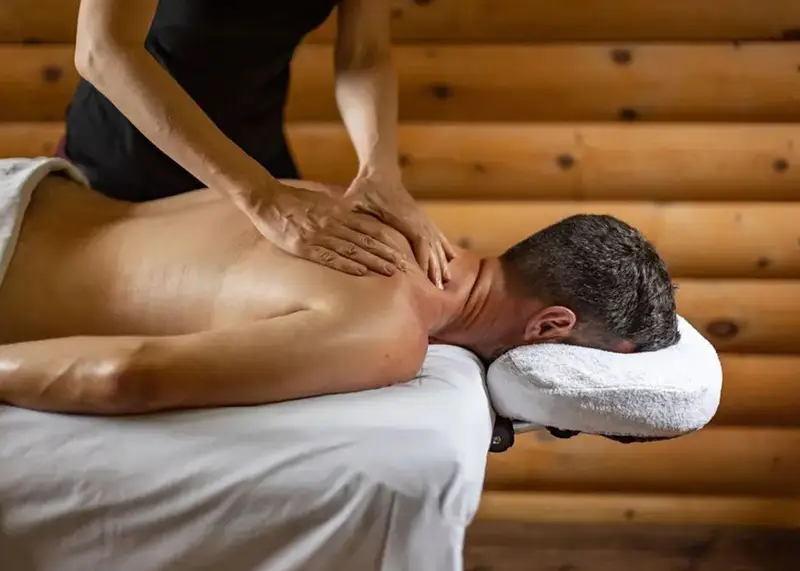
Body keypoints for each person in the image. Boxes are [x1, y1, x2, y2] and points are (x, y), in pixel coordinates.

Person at [0, 161, 679, 416]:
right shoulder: (390, 333)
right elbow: (123, 377)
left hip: (29, 187)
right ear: (551, 325)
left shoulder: (365, 207)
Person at [57, 0, 454, 287]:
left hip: (257, 149)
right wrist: (260, 197)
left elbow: (363, 55)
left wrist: (380, 170)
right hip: (131, 152)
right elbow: (102, 51)